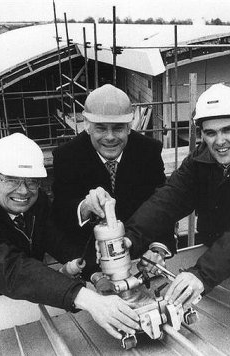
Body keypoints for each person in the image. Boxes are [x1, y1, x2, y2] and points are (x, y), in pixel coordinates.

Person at [0, 133, 139, 339]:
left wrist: (95, 275)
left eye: (32, 181)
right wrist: (86, 298)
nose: (24, 191)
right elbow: (14, 271)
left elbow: (57, 240)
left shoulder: (36, 202)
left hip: (16, 308)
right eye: (13, 180)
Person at [126, 83, 230, 307]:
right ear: (202, 134)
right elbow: (168, 200)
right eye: (210, 133)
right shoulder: (200, 161)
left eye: (227, 130)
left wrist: (201, 275)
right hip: (219, 267)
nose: (219, 141)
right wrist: (130, 237)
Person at [52, 84, 172, 268]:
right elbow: (60, 212)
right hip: (92, 261)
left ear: (130, 126)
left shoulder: (148, 151)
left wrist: (158, 248)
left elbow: (162, 204)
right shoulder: (67, 156)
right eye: (100, 128)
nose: (110, 137)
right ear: (87, 125)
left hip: (142, 258)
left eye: (118, 129)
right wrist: (85, 207)